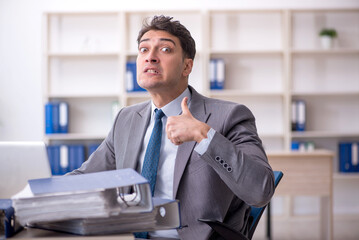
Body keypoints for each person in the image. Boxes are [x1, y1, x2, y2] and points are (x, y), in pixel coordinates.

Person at [69, 15, 275, 240]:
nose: (151, 57)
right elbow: (88, 176)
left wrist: (203, 135)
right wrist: (33, 194)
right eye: (143, 50)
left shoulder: (230, 116)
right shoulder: (126, 119)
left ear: (187, 66)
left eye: (165, 50)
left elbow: (261, 190)